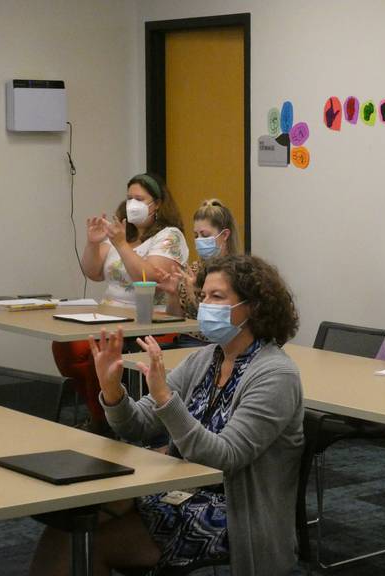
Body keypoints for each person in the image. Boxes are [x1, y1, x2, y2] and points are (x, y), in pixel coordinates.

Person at [30, 254, 304, 576]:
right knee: (70, 524)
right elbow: (138, 426)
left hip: (232, 514)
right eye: (203, 297)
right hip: (179, 491)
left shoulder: (275, 374)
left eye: (217, 297)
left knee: (88, 546)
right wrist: (113, 390)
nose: (205, 306)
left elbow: (224, 457)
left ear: (253, 307)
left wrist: (165, 397)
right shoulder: (206, 359)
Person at [52, 173, 188, 433]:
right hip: (107, 314)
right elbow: (93, 272)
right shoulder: (121, 233)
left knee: (89, 352)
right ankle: (99, 409)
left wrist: (121, 244)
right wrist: (93, 243)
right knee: (65, 344)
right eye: (129, 198)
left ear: (157, 204)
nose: (132, 204)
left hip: (148, 319)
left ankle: (105, 421)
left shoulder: (169, 236)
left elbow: (148, 277)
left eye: (140, 198)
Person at [156, 198, 240, 344]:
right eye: (196, 236)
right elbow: (177, 319)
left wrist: (195, 294)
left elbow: (224, 323)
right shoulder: (193, 269)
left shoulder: (237, 272)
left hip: (218, 344)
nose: (199, 240)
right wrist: (173, 295)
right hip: (185, 340)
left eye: (205, 235)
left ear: (225, 235)